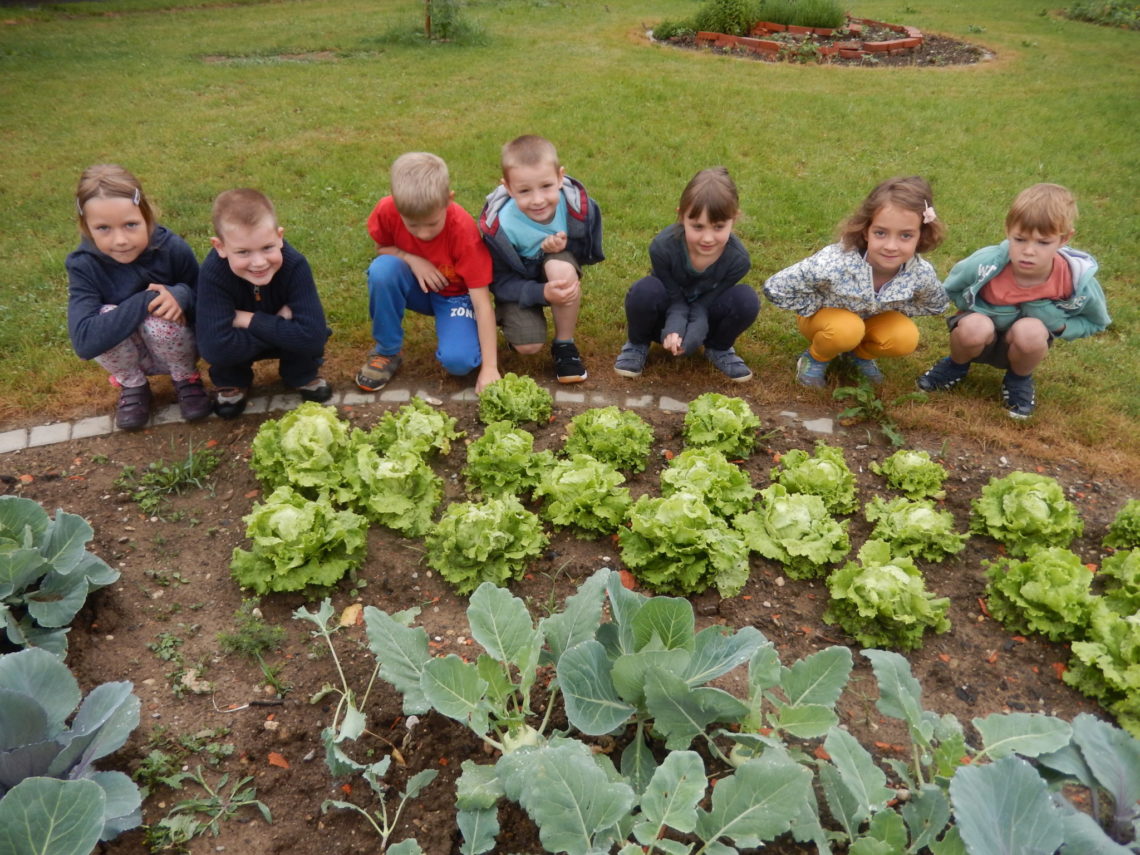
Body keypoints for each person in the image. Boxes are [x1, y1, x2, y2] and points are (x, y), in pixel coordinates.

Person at [916, 183, 1110, 419]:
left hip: (1023, 345)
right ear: (1008, 230)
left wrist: (1060, 326)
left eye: (1043, 242)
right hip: (978, 335)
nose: (1029, 251)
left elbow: (1096, 322)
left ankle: (1018, 379)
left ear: (1064, 239)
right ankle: (955, 366)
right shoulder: (986, 263)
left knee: (1031, 331)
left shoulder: (1075, 280)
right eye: (1020, 239)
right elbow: (950, 288)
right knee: (975, 326)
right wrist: (971, 310)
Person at [763, 175, 948, 387]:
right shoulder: (835, 262)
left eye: (905, 236)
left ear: (921, 236)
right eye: (881, 233)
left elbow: (937, 304)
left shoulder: (920, 273)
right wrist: (815, 307)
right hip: (826, 321)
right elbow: (776, 287)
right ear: (866, 230)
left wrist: (895, 308)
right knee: (847, 329)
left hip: (868, 322)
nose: (891, 246)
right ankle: (815, 357)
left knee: (904, 337)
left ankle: (859, 355)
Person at [67, 164, 210, 431]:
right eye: (103, 229)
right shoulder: (82, 265)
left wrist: (181, 295)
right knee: (104, 316)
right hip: (127, 352)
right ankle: (133, 385)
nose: (120, 239)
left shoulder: (172, 248)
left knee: (161, 313)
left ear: (146, 216)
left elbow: (208, 301)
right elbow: (84, 342)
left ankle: (185, 378)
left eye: (131, 224)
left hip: (177, 345)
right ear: (86, 227)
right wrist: (145, 300)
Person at [357, 152, 499, 394]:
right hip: (417, 286)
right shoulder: (387, 210)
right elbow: (381, 248)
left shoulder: (464, 232)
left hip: (455, 296)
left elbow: (482, 302)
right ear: (396, 204)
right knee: (382, 271)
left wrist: (490, 368)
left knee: (459, 362)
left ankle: (461, 331)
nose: (423, 233)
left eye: (432, 223)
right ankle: (387, 350)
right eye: (412, 225)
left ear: (448, 200)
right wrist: (411, 259)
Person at [196, 189, 333, 419]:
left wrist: (248, 320)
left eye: (267, 247)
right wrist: (281, 324)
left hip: (248, 335)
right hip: (264, 340)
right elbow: (214, 348)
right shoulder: (213, 274)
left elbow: (313, 335)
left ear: (279, 236)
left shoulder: (295, 265)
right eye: (243, 252)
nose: (259, 262)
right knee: (224, 357)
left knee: (306, 344)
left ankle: (300, 373)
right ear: (219, 246)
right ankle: (232, 381)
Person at [613, 166, 758, 382]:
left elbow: (704, 304)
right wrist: (673, 328)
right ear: (681, 216)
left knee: (747, 300)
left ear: (733, 219)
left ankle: (719, 348)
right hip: (664, 313)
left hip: (708, 314)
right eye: (698, 226)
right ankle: (637, 344)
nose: (707, 238)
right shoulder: (662, 247)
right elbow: (675, 298)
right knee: (644, 291)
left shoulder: (739, 260)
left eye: (718, 227)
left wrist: (693, 336)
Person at [479, 135, 603, 383]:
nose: (537, 200)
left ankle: (565, 345)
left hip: (555, 267)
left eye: (546, 186)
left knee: (562, 270)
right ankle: (518, 327)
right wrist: (541, 293)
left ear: (560, 177)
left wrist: (566, 246)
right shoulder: (498, 227)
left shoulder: (577, 206)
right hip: (518, 284)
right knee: (529, 345)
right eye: (524, 191)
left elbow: (588, 251)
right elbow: (500, 281)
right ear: (508, 187)